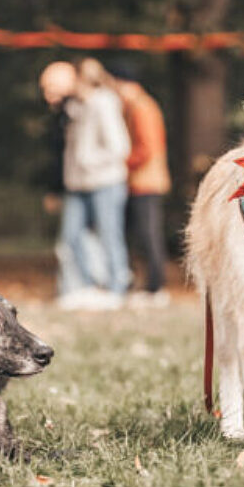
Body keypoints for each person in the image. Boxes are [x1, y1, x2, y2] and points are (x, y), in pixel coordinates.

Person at [57, 58, 131, 309]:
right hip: (78, 184)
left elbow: (120, 147)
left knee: (110, 235)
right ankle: (86, 285)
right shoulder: (76, 107)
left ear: (81, 79)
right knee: (71, 236)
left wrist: (89, 160)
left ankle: (116, 288)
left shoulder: (104, 104)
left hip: (105, 181)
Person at [108, 63, 172, 307]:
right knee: (141, 234)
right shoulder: (136, 106)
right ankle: (148, 284)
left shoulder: (142, 107)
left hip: (146, 181)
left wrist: (123, 164)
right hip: (140, 181)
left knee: (149, 235)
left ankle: (156, 286)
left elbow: (146, 147)